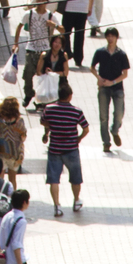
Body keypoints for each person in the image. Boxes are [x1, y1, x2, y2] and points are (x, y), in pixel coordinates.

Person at [38, 83, 91, 214]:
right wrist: (79, 138)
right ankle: (76, 200)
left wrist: (49, 129)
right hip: (71, 149)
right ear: (70, 96)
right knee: (75, 178)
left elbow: (43, 121)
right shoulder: (76, 111)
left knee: (54, 179)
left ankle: (57, 205)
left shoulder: (49, 108)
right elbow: (86, 128)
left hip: (54, 148)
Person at [91, 26, 130, 152]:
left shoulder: (121, 54)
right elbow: (92, 67)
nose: (110, 38)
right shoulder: (100, 52)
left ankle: (115, 130)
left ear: (116, 38)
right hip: (104, 88)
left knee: (119, 113)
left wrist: (112, 82)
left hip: (117, 87)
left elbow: (125, 74)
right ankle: (106, 142)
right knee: (103, 116)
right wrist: (99, 78)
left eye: (112, 36)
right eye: (108, 36)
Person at [19, 1, 57, 107]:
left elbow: (62, 29)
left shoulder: (50, 15)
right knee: (27, 73)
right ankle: (29, 94)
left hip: (45, 51)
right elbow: (19, 26)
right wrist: (16, 44)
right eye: (38, 0)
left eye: (43, 1)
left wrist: (53, 25)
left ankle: (41, 100)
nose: (40, 4)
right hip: (31, 50)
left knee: (44, 76)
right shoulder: (29, 14)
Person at [58, 0, 94, 66]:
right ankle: (79, 58)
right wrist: (90, 8)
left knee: (66, 32)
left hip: (70, 9)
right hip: (83, 10)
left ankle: (68, 52)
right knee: (79, 35)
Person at [0, 101, 28, 188]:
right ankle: (13, 198)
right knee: (12, 179)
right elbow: (23, 138)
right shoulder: (19, 121)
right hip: (14, 154)